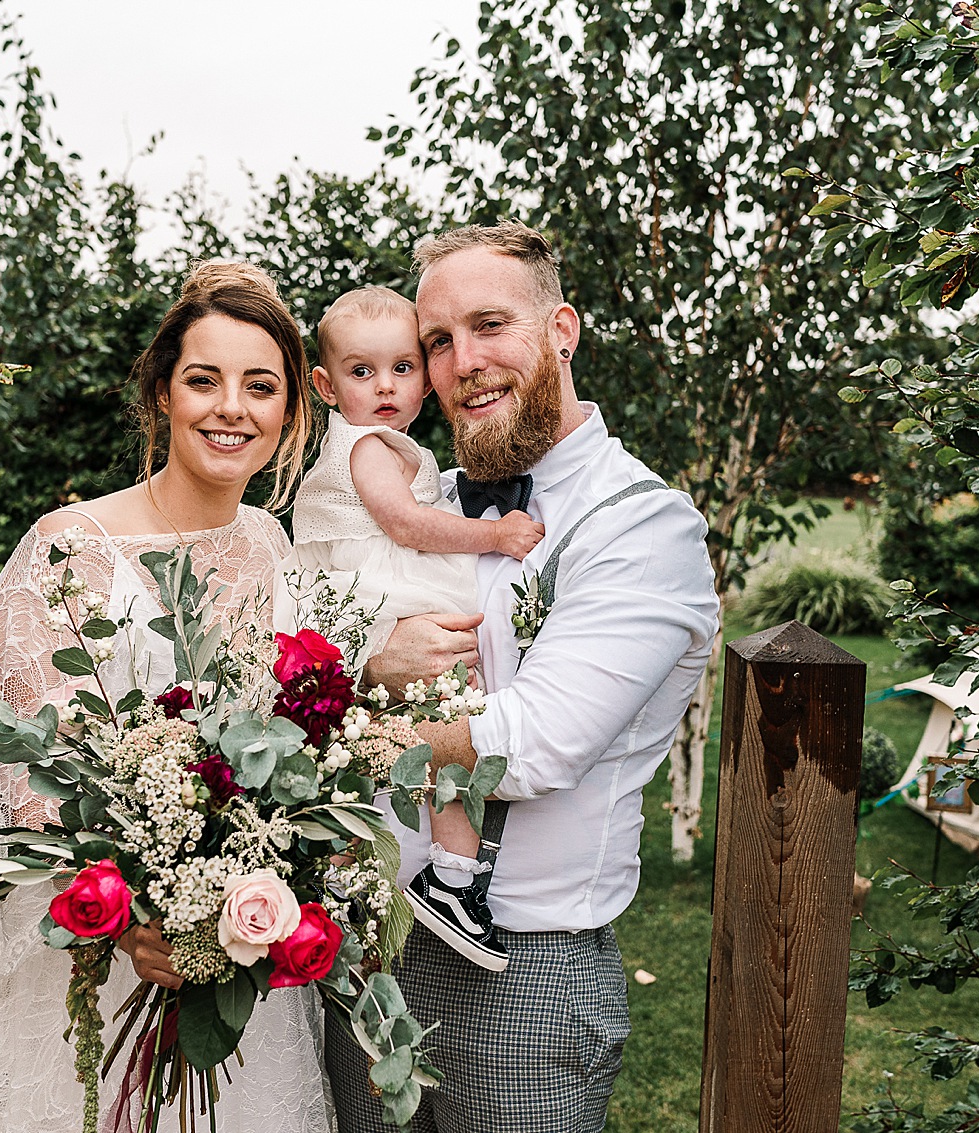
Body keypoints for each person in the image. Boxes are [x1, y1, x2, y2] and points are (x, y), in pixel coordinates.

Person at [0, 261, 336, 1133]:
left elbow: (291, 741)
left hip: (241, 959)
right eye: (203, 380)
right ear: (162, 394)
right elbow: (30, 778)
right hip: (99, 960)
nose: (231, 408)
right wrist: (140, 911)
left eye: (260, 386)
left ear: (290, 410)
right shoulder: (69, 547)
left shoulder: (270, 542)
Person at [327, 223, 720, 1133]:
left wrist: (322, 738)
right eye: (437, 341)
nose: (463, 361)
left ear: (562, 331)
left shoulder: (644, 527)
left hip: (524, 980)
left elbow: (529, 746)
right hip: (364, 947)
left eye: (491, 324)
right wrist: (367, 662)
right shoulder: (415, 499)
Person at [288, 285, 544, 971]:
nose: (385, 387)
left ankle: (346, 871)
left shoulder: (377, 442)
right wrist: (494, 535)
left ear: (425, 382)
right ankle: (453, 876)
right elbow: (406, 524)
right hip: (387, 597)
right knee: (452, 714)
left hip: (368, 601)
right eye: (361, 371)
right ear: (325, 382)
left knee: (367, 742)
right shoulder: (370, 446)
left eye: (403, 368)